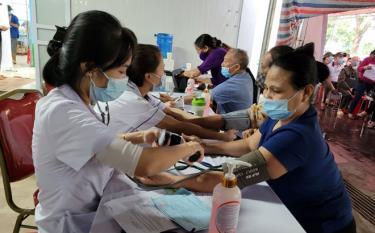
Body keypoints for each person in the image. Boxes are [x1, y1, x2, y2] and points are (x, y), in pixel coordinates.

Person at [141, 46, 355, 233]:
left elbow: (229, 177)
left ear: (306, 92)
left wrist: (171, 179)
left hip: (321, 225)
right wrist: (204, 145)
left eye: (276, 90)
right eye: (266, 89)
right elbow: (248, 144)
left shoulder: (298, 136)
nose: (267, 98)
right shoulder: (281, 115)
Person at [32, 11, 204, 233]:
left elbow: (95, 145)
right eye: (121, 71)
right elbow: (143, 163)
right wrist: (189, 147)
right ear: (89, 69)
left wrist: (139, 136)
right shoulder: (62, 112)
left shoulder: (77, 103)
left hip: (98, 210)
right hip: (72, 225)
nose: (124, 79)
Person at [107, 44, 236, 141]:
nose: (164, 73)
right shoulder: (132, 100)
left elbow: (175, 115)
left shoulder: (141, 93)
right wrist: (221, 136)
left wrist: (213, 124)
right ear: (149, 77)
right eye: (162, 68)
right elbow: (178, 125)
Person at [211, 48, 254, 114]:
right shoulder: (246, 76)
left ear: (236, 67)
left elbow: (208, 97)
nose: (222, 64)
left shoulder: (236, 84)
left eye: (225, 61)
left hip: (233, 123)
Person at [348, 49, 375, 119]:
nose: (373, 56)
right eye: (372, 55)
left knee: (372, 98)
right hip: (363, 81)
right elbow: (359, 68)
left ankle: (367, 114)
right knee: (357, 97)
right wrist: (365, 67)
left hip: (372, 83)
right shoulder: (367, 59)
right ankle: (350, 112)